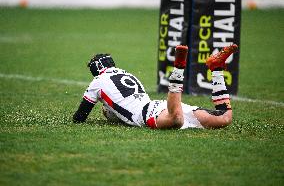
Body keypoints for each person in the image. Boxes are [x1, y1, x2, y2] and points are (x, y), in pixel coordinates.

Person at [73, 44, 238, 129]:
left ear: (96, 70)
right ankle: (216, 69)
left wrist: (107, 112)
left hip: (150, 114)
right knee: (225, 118)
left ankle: (178, 69)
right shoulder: (127, 73)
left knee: (177, 120)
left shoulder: (97, 82)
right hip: (161, 106)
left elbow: (79, 118)